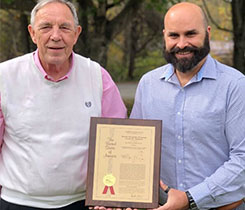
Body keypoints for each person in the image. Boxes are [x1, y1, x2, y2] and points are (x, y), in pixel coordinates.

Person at [0, 0, 127, 209]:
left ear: (76, 33)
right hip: (17, 202)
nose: (56, 36)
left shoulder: (97, 77)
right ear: (32, 33)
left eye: (65, 27)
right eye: (46, 27)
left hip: (81, 202)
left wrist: (111, 196)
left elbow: (117, 145)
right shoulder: (5, 77)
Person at [130, 2, 245, 210]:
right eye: (174, 35)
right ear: (164, 35)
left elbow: (242, 159)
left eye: (191, 34)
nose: (182, 44)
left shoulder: (235, 86)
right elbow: (133, 150)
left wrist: (191, 199)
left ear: (207, 33)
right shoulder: (148, 84)